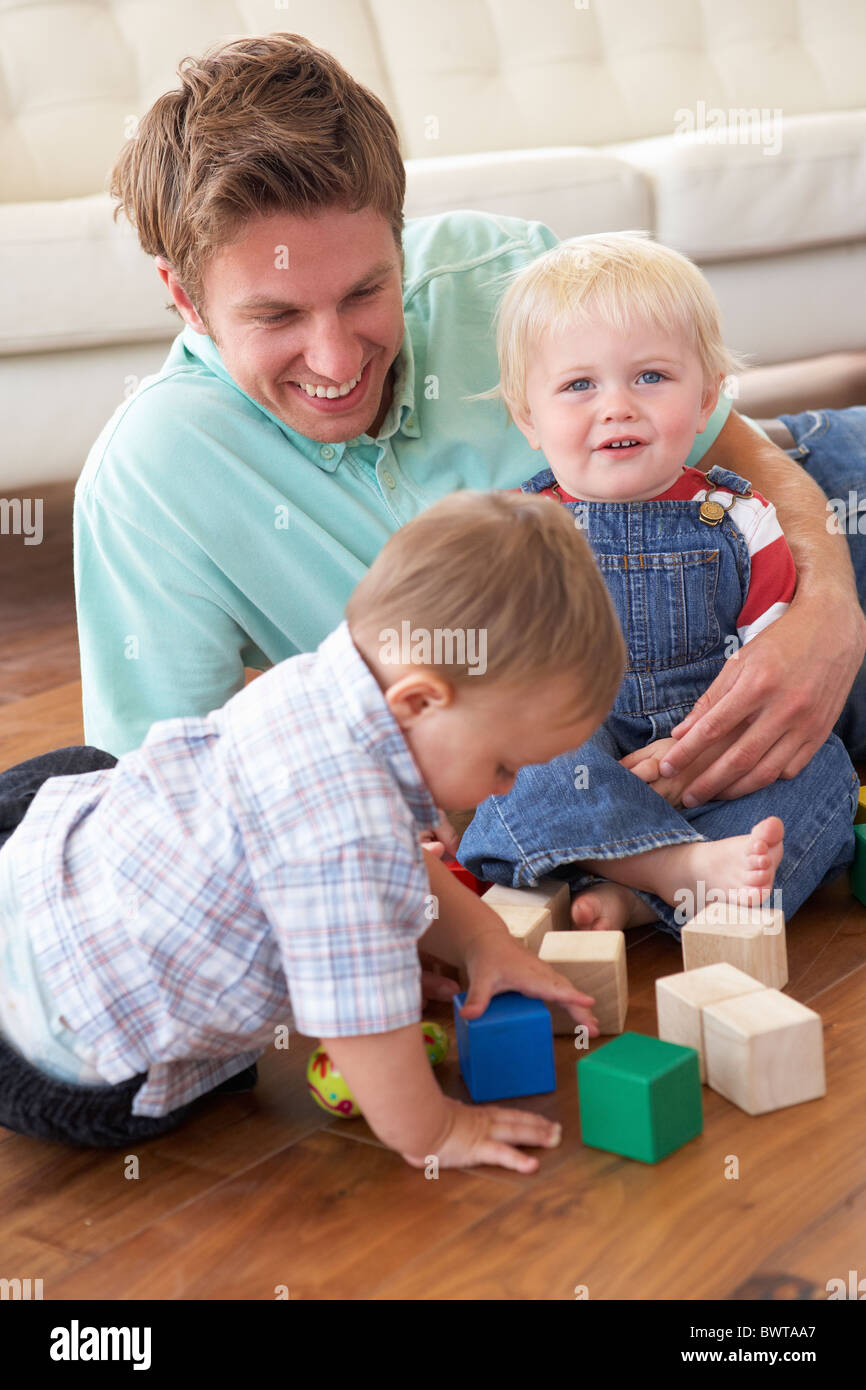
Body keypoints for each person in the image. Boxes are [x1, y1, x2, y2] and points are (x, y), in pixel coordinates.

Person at [74, 31, 866, 820]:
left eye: (364, 293)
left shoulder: (492, 272)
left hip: (811, 520)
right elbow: (164, 803)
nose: (336, 355)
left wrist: (828, 612)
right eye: (277, 315)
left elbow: (733, 449)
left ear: (399, 242)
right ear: (183, 298)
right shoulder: (152, 478)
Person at [2, 490, 623, 1168]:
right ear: (417, 701)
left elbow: (387, 860)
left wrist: (482, 939)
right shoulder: (346, 834)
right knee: (197, 1082)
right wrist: (437, 1132)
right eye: (504, 765)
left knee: (89, 770)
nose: (505, 788)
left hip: (33, 879)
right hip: (53, 1053)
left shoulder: (317, 680)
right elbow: (363, 1020)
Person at [457, 233, 858, 937]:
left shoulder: (742, 515)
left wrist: (708, 747)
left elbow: (770, 649)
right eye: (580, 385)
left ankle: (630, 886)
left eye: (650, 378)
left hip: (711, 737)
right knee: (522, 762)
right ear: (528, 418)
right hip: (588, 737)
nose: (617, 406)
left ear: (706, 402)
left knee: (823, 775)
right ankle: (673, 873)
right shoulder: (520, 530)